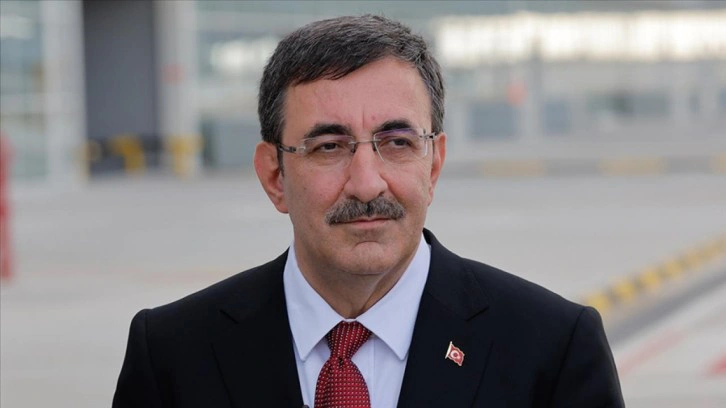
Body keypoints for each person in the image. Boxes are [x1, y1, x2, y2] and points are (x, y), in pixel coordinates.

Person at [113, 15, 624, 407]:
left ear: (434, 164)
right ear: (274, 176)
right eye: (328, 147)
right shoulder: (173, 354)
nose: (366, 183)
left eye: (397, 142)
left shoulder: (552, 348)